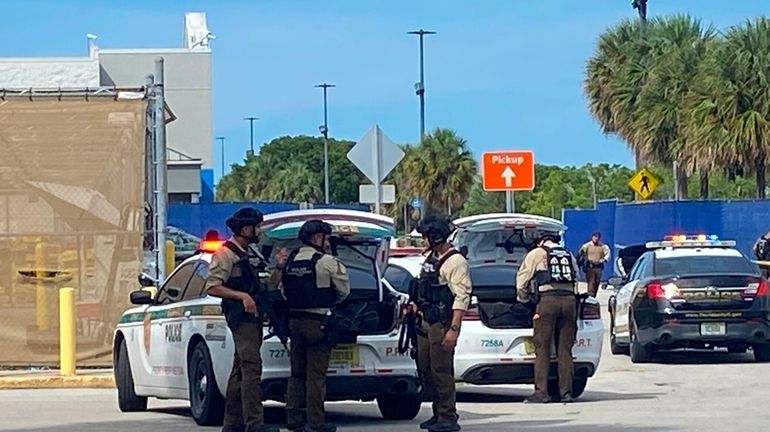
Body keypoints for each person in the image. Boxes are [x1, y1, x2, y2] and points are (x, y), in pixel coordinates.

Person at [206, 208, 287, 432]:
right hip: (241, 317)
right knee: (252, 367)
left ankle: (232, 423)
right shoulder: (225, 254)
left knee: (240, 370)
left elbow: (267, 285)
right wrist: (242, 297)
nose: (259, 230)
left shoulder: (251, 253)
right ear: (245, 229)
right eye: (257, 226)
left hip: (255, 317)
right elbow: (212, 287)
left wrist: (279, 268)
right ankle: (254, 424)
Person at [283, 220, 350, 432]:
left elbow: (283, 291)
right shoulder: (327, 261)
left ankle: (293, 417)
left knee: (296, 373)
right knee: (316, 375)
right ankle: (316, 422)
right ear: (317, 238)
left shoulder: (290, 261)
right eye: (325, 237)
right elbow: (343, 291)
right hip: (318, 323)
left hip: (294, 322)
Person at [412, 215, 471, 432]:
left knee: (442, 371)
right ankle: (438, 414)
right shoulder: (432, 259)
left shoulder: (455, 261)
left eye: (426, 236)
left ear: (435, 236)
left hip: (442, 323)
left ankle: (447, 416)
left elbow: (461, 297)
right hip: (425, 321)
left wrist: (453, 329)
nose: (423, 241)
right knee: (426, 370)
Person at [517, 233, 579, 404]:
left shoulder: (536, 253)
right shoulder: (567, 253)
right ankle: (566, 392)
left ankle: (541, 392)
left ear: (541, 241)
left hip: (547, 301)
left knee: (542, 347)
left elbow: (522, 280)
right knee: (565, 350)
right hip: (569, 302)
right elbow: (577, 277)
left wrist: (524, 299)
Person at [578, 231, 611, 297]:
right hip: (590, 267)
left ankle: (593, 296)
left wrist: (604, 259)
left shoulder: (603, 246)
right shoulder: (586, 246)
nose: (596, 239)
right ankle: (590, 297)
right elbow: (581, 254)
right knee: (591, 283)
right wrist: (582, 263)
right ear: (592, 237)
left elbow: (608, 254)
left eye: (597, 237)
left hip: (598, 267)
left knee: (596, 283)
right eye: (595, 237)